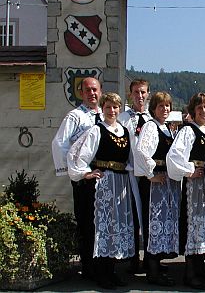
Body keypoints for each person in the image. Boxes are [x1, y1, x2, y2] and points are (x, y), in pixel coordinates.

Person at [67, 92, 135, 290]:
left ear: (119, 109)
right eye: (108, 107)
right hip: (104, 185)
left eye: (115, 107)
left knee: (115, 228)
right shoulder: (96, 130)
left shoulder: (124, 130)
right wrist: (85, 173)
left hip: (121, 184)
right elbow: (78, 154)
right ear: (102, 109)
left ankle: (111, 271)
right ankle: (101, 273)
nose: (112, 111)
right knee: (103, 228)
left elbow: (131, 159)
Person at [166, 93, 205, 290]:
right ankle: (189, 273)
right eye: (200, 108)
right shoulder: (188, 131)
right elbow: (174, 156)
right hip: (196, 185)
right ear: (193, 111)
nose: (204, 111)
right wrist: (189, 171)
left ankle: (201, 269)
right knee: (195, 227)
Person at [51, 76, 102, 280]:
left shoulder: (107, 114)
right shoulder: (75, 116)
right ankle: (89, 268)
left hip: (105, 177)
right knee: (87, 223)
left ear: (101, 91)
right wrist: (78, 173)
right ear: (81, 93)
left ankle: (104, 265)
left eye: (95, 89)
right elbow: (60, 144)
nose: (92, 93)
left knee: (103, 223)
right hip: (86, 178)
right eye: (87, 90)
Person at [134, 91, 180, 286]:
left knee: (163, 223)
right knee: (154, 223)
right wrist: (150, 174)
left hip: (166, 180)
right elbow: (141, 151)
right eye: (161, 106)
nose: (165, 109)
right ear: (154, 108)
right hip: (155, 182)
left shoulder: (166, 128)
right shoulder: (151, 127)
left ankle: (155, 263)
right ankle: (152, 271)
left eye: (168, 106)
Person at [119, 79, 151, 273]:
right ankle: (132, 258)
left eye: (143, 92)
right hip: (128, 174)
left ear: (148, 94)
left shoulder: (151, 119)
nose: (140, 96)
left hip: (148, 176)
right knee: (131, 216)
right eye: (136, 92)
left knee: (149, 215)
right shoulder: (123, 118)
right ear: (130, 94)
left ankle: (150, 258)